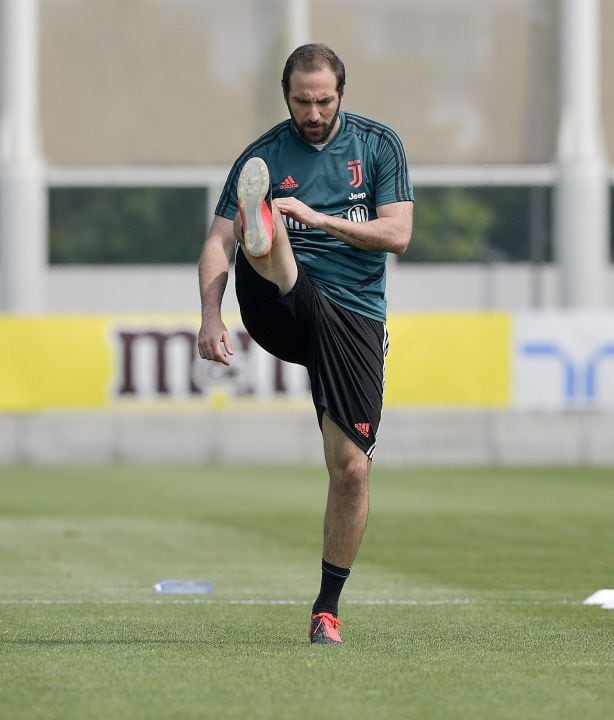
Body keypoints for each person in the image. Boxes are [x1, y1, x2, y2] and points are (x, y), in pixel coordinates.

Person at [196, 43, 413, 645]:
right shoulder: (262, 154)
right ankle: (265, 234)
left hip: (354, 315)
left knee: (351, 472)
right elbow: (217, 244)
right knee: (266, 247)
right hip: (278, 304)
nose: (313, 112)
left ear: (341, 94)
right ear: (286, 95)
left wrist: (318, 219)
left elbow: (399, 234)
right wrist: (211, 316)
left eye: (323, 101)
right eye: (301, 101)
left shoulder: (378, 146)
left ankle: (326, 609)